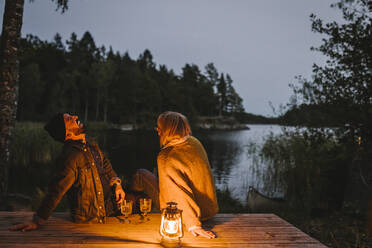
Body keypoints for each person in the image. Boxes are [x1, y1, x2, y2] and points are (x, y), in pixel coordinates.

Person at [10, 113, 125, 232]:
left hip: (113, 203)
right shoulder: (71, 157)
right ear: (68, 133)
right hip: (97, 214)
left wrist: (117, 184)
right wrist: (37, 221)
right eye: (70, 119)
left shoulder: (89, 143)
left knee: (141, 180)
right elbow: (56, 190)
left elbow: (105, 162)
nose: (75, 117)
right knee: (142, 177)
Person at [132, 111, 218, 239]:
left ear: (163, 131)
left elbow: (176, 191)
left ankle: (130, 201)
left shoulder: (166, 157)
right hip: (208, 209)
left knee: (141, 174)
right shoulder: (194, 142)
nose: (157, 130)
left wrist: (193, 225)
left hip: (184, 213)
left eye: (159, 128)